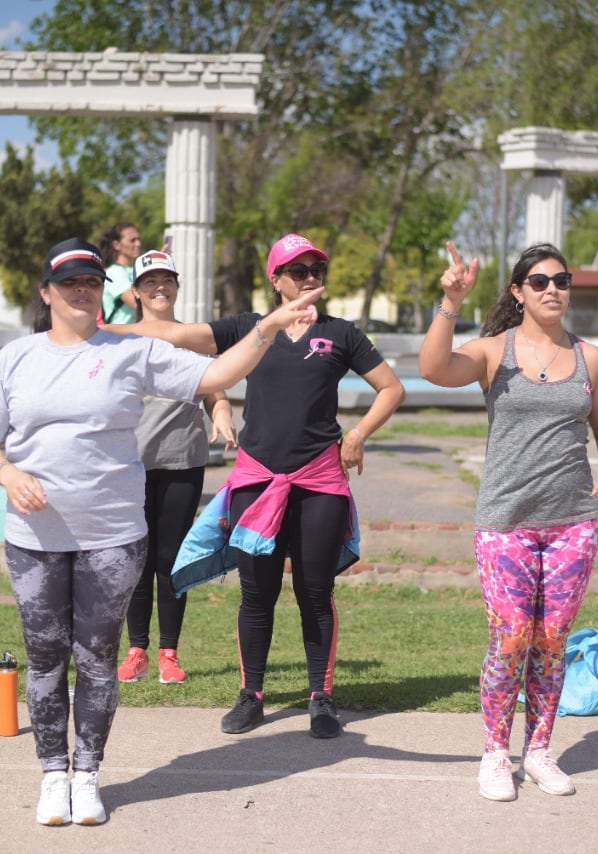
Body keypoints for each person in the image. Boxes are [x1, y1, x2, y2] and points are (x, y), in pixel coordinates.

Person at [0, 237, 323, 827]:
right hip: (35, 538)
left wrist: (267, 327)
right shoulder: (17, 357)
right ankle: (53, 775)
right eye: (70, 282)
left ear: (102, 293)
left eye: (91, 282)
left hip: (111, 535)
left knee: (98, 658)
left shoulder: (131, 351)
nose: (81, 292)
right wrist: (7, 472)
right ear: (47, 292)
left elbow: (217, 373)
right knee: (45, 658)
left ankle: (87, 773)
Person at [108, 232, 405, 740]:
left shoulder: (342, 333)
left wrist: (357, 434)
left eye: (317, 270)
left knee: (315, 591)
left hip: (319, 481)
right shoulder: (249, 329)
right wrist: (102, 333)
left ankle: (321, 698)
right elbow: (177, 336)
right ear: (276, 280)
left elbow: (391, 387)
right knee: (257, 593)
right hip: (257, 478)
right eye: (299, 270)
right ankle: (252, 696)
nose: (310, 278)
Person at [420, 241, 598, 802]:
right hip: (506, 520)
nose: (552, 289)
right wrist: (449, 301)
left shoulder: (592, 358)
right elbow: (434, 368)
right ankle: (495, 752)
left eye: (561, 280)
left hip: (572, 521)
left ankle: (538, 751)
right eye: (539, 282)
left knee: (553, 640)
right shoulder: (494, 352)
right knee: (511, 637)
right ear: (518, 291)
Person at [116, 250, 237, 685]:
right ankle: (136, 650)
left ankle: (168, 652)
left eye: (167, 280)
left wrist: (221, 412)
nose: (160, 288)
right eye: (150, 282)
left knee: (171, 557)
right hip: (130, 464)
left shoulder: (193, 336)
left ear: (177, 287)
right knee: (134, 558)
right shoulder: (120, 337)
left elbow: (214, 385)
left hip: (183, 460)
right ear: (135, 292)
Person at [98, 222, 142, 325]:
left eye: (139, 239)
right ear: (116, 245)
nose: (138, 244)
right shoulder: (114, 272)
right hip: (119, 336)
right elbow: (138, 305)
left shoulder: (135, 270)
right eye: (132, 240)